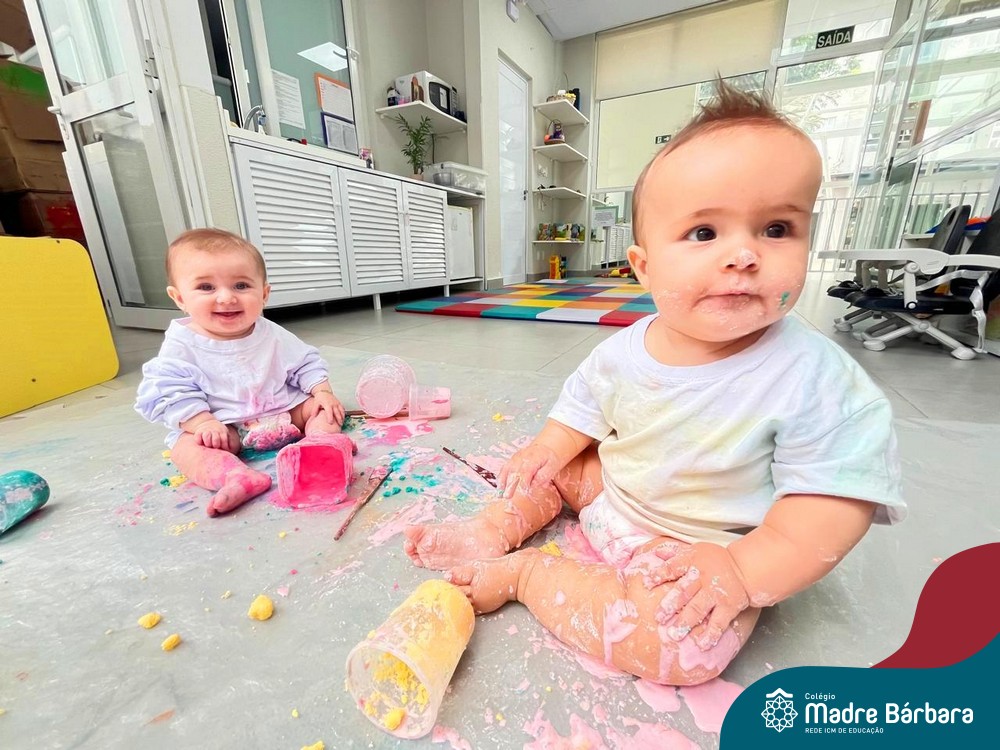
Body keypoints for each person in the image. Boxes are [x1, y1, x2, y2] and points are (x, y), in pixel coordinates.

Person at [404, 82, 905, 686]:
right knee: (553, 468)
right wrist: (549, 447)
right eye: (704, 233)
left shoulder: (820, 382)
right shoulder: (625, 348)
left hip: (698, 553)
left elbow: (828, 510)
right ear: (644, 267)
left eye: (776, 228)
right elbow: (583, 407)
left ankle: (527, 575)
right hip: (612, 491)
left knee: (680, 648)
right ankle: (492, 528)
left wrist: (742, 573)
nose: (743, 254)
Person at [135, 228, 347, 517]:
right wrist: (202, 423)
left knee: (325, 409)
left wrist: (321, 391)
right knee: (186, 448)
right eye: (206, 287)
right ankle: (234, 477)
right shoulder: (181, 346)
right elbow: (171, 392)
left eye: (241, 286)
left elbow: (304, 363)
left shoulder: (272, 333)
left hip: (285, 412)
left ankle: (320, 444)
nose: (226, 297)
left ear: (264, 293)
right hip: (225, 427)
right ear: (179, 297)